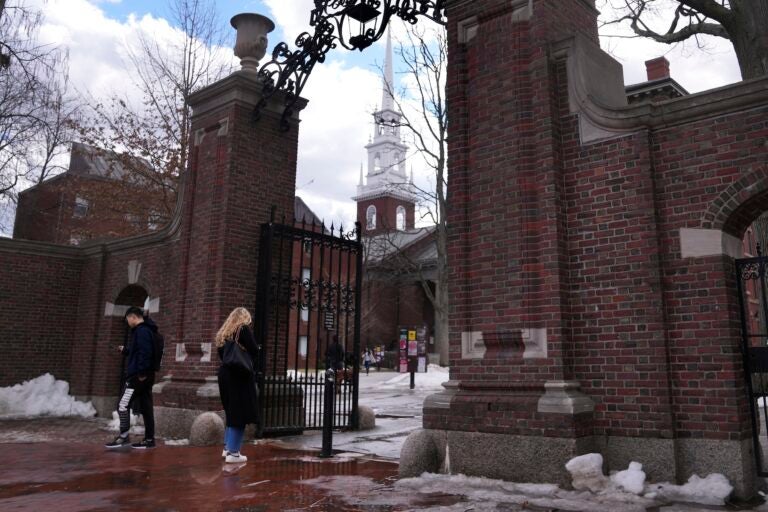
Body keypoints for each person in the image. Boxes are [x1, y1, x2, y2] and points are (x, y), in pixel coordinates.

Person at [106, 307, 158, 449]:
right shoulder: (148, 330)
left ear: (133, 317)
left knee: (122, 405)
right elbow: (139, 352)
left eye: (127, 319)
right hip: (147, 375)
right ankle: (149, 440)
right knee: (146, 408)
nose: (128, 322)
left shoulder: (141, 331)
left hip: (138, 376)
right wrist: (126, 350)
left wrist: (141, 373)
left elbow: (145, 353)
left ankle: (123, 437)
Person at [216, 307, 260, 464]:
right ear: (244, 317)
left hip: (225, 374)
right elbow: (254, 350)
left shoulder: (224, 334)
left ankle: (227, 448)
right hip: (239, 375)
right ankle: (233, 453)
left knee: (231, 411)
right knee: (240, 413)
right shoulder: (243, 329)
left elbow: (222, 355)